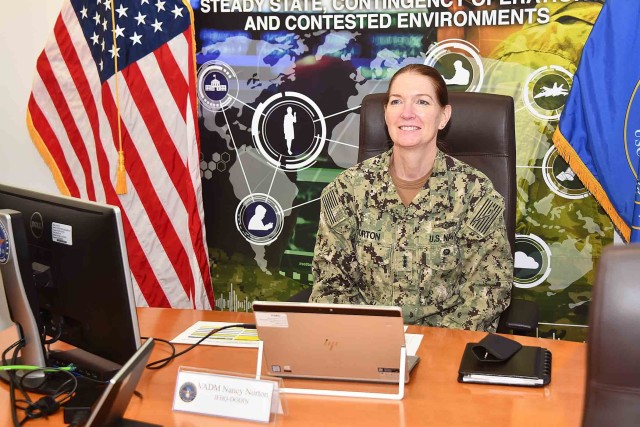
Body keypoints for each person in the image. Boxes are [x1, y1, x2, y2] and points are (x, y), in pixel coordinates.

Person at [309, 64, 513, 332]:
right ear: (386, 114)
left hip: (446, 349)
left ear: (443, 116)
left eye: (422, 102)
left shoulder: (474, 192)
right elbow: (330, 283)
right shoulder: (347, 189)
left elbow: (489, 288)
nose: (407, 113)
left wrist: (438, 347)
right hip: (366, 345)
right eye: (396, 101)